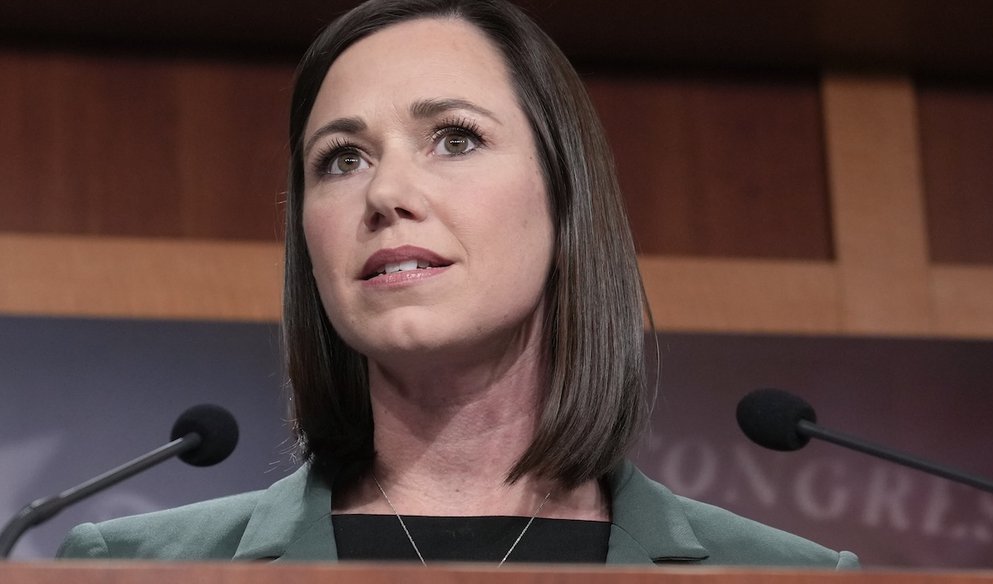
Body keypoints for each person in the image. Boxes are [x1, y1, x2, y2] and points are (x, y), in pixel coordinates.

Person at [59, 0, 857, 567]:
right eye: (342, 158)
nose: (385, 194)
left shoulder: (785, 573)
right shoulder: (132, 565)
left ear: (564, 192)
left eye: (454, 138)